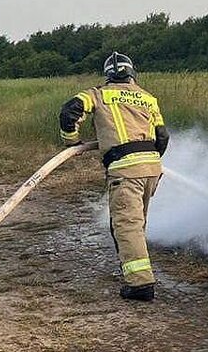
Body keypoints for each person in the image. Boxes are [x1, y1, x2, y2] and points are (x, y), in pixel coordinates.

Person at [59, 52, 169, 301]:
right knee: (136, 223)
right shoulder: (148, 98)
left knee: (126, 226)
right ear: (132, 73)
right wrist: (150, 161)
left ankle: (140, 284)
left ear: (108, 75)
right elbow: (162, 136)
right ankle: (135, 272)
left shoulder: (97, 94)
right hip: (151, 168)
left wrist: (72, 142)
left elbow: (69, 112)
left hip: (125, 169)